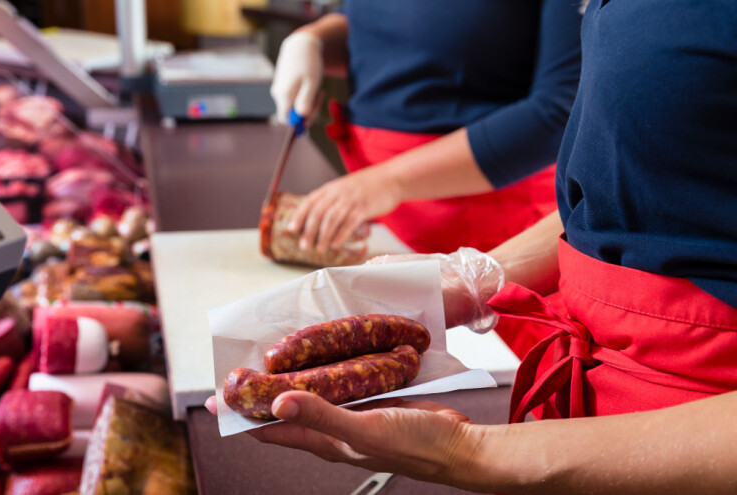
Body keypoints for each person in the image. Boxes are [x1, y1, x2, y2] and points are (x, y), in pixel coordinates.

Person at [209, 1, 737, 492]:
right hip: (588, 407)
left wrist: (473, 453)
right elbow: (636, 196)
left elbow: (552, 109)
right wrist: (474, 278)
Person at [271, 1, 582, 256]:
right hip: (373, 210)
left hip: (489, 226)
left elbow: (559, 111)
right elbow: (388, 24)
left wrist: (388, 182)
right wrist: (314, 39)